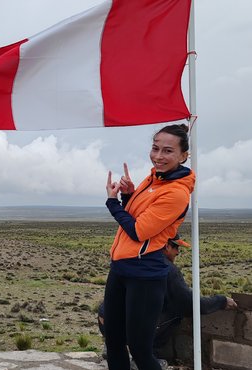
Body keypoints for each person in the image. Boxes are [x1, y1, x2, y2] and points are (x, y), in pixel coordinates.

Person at [103, 124, 195, 370]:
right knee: (113, 340)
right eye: (155, 148)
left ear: (183, 155)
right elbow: (138, 214)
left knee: (141, 350)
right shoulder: (153, 178)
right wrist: (127, 196)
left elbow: (138, 231)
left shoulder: (176, 193)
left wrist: (112, 203)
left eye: (168, 151)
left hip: (145, 275)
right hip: (121, 268)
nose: (158, 156)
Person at [97, 234, 237, 362]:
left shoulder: (130, 257)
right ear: (166, 245)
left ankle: (116, 347)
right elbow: (189, 304)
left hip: (107, 321)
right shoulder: (164, 267)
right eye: (175, 247)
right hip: (130, 329)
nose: (177, 252)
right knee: (175, 311)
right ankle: (144, 354)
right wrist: (221, 301)